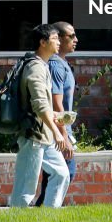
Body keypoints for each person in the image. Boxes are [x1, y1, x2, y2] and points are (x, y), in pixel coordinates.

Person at [9, 24, 70, 208]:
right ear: (42, 42)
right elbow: (39, 104)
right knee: (26, 186)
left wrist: (58, 118)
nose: (59, 42)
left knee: (61, 174)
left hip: (44, 134)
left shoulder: (43, 66)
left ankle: (50, 217)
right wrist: (57, 132)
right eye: (54, 39)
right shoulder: (35, 67)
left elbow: (43, 105)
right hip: (33, 135)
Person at [35, 21, 78, 206]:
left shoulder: (62, 63)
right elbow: (56, 103)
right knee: (65, 172)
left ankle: (45, 211)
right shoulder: (56, 66)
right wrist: (64, 135)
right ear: (59, 38)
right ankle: (46, 210)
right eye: (72, 36)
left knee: (57, 175)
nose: (76, 40)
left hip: (58, 128)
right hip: (56, 130)